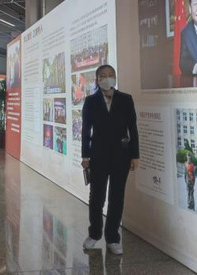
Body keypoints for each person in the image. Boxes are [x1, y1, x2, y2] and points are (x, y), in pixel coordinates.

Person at [81, 65, 139, 256]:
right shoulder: (90, 101)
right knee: (96, 197)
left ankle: (113, 238)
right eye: (103, 76)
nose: (107, 78)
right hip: (98, 155)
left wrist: (135, 155)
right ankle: (94, 233)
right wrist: (85, 156)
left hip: (121, 155)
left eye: (111, 75)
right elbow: (85, 130)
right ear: (97, 79)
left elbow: (133, 129)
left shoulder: (126, 99)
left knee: (117, 196)